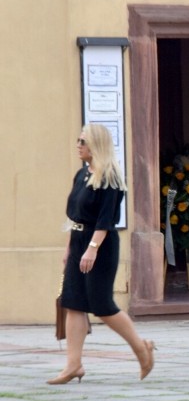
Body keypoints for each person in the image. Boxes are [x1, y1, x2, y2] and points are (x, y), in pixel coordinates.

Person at [50, 124, 154, 384]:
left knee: (102, 305)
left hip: (100, 245)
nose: (78, 145)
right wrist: (69, 249)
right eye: (78, 140)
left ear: (95, 144)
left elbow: (106, 221)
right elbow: (73, 215)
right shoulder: (82, 174)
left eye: (82, 141)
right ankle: (73, 365)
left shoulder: (111, 178)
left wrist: (92, 249)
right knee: (73, 302)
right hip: (78, 242)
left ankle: (141, 348)